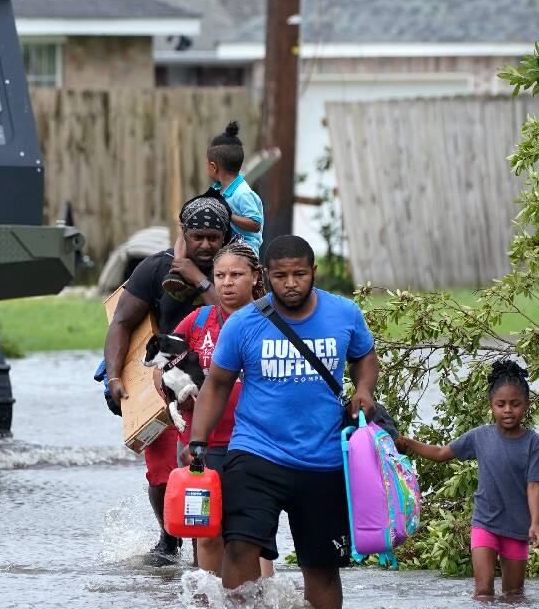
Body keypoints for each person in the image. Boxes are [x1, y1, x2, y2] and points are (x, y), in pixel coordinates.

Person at [187, 234, 380, 609]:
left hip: (323, 460)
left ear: (314, 272)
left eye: (299, 274)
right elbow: (217, 385)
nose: (290, 284)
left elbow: (365, 356)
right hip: (256, 453)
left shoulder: (344, 313)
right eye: (280, 276)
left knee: (322, 567)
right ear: (265, 276)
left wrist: (365, 390)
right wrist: (198, 439)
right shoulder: (244, 324)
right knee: (240, 546)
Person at [104, 190, 231, 563]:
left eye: (214, 238)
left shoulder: (236, 270)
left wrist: (199, 279)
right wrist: (115, 377)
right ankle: (169, 537)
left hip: (224, 384)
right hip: (168, 384)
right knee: (162, 473)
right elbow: (122, 322)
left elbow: (237, 321)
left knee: (215, 467)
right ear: (183, 233)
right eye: (198, 237)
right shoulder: (157, 268)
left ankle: (211, 545)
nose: (206, 245)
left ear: (225, 236)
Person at [397, 360, 539, 600]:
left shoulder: (533, 443)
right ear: (491, 406)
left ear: (526, 406)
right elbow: (440, 454)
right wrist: (408, 443)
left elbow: (533, 486)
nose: (508, 409)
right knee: (483, 592)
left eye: (515, 404)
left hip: (518, 529)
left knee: (514, 595)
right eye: (501, 404)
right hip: (484, 524)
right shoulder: (480, 436)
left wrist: (535, 523)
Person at [169, 241, 273, 579]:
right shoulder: (197, 321)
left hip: (257, 446)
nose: (226, 282)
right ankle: (206, 600)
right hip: (202, 447)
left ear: (256, 277)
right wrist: (175, 390)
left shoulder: (273, 323)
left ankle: (261, 602)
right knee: (206, 532)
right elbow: (160, 367)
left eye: (236, 275)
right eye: (219, 275)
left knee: (253, 537)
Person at [164, 121, 265, 298]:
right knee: (185, 230)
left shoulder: (242, 193)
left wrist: (230, 216)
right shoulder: (220, 188)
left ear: (213, 166)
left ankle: (199, 283)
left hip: (244, 246)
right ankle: (177, 271)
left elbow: (256, 224)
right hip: (228, 240)